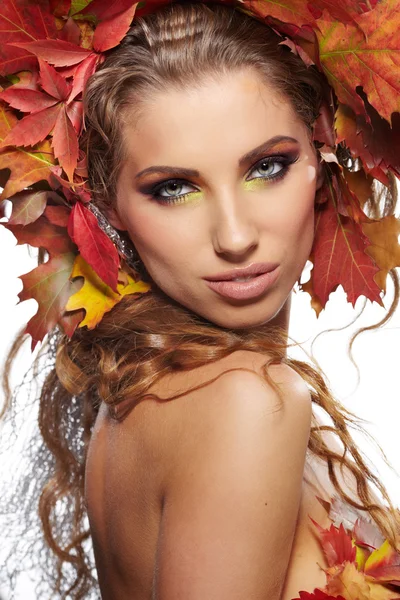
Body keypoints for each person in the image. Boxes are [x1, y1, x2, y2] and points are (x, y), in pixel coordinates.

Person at [0, 1, 400, 599]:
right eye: (174, 188)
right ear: (105, 207)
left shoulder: (146, 395)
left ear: (322, 156)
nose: (235, 237)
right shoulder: (243, 401)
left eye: (267, 166)